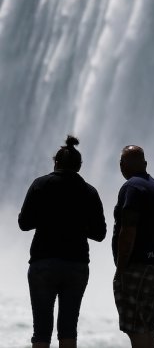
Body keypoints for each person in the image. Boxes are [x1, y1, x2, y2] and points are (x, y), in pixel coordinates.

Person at [18, 136, 106, 348]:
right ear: (79, 166)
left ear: (55, 162)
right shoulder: (89, 191)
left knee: (41, 330)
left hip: (43, 262)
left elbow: (24, 223)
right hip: (76, 264)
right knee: (68, 329)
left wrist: (47, 218)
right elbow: (100, 233)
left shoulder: (40, 185)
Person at [113, 145, 154, 348]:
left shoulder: (132, 188)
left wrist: (120, 268)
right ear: (145, 164)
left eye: (122, 162)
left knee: (134, 326)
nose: (121, 166)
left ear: (123, 165)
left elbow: (128, 230)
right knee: (147, 324)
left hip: (136, 264)